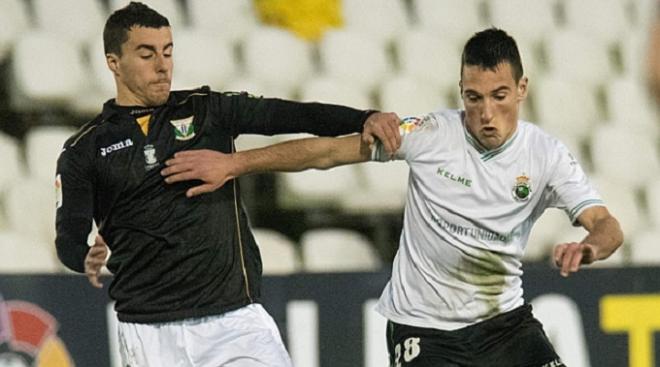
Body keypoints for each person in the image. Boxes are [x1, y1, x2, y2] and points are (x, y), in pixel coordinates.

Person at [161, 28, 624, 366]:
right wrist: (233, 163)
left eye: (499, 96)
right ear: (461, 92)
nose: (485, 113)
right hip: (424, 331)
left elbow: (608, 226)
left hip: (504, 325)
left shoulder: (546, 156)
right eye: (473, 97)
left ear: (522, 90)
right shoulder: (428, 134)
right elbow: (326, 153)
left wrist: (588, 247)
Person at [54, 2, 401, 367]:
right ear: (114, 61)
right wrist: (84, 257)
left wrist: (364, 117)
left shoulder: (207, 110)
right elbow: (68, 238)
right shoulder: (84, 150)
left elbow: (291, 114)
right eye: (147, 54)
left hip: (233, 323)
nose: (163, 65)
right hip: (148, 333)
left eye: (168, 52)